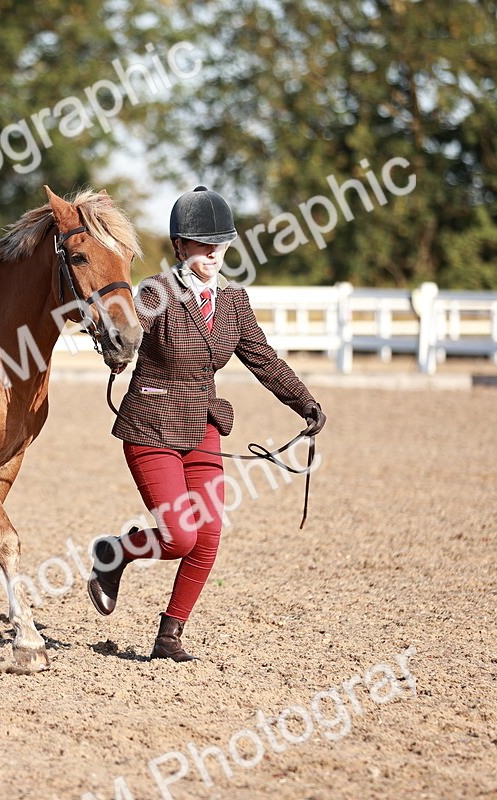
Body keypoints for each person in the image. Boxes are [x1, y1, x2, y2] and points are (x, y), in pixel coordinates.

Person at [88, 186, 327, 662]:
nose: (214, 252)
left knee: (209, 534)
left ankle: (168, 637)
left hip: (202, 427)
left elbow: (265, 360)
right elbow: (126, 337)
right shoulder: (155, 294)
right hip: (151, 426)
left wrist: (306, 404)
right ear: (180, 247)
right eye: (203, 243)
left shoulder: (234, 302)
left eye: (221, 242)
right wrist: (117, 351)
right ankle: (112, 554)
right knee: (179, 535)